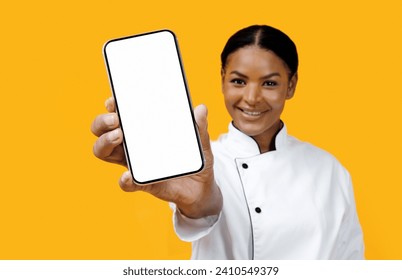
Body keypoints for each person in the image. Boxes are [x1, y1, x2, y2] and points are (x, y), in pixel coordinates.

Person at [91, 25, 364, 259]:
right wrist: (196, 203)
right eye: (238, 81)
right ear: (223, 80)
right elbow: (200, 209)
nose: (252, 97)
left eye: (269, 83)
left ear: (291, 85)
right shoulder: (196, 160)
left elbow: (351, 263)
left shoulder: (329, 171)